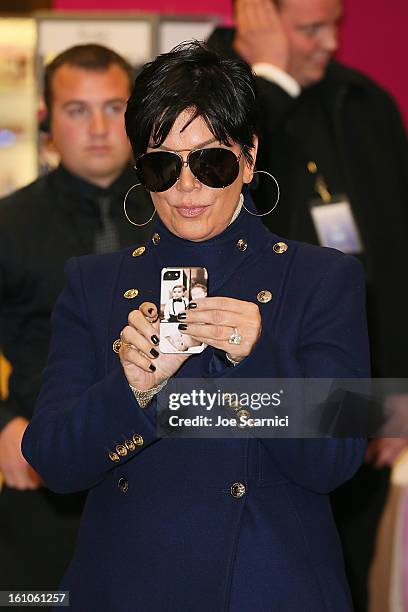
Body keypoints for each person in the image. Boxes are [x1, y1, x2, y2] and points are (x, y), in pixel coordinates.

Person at [23, 42, 369, 611]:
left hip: (265, 589)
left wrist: (257, 358)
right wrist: (131, 390)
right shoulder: (93, 283)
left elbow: (336, 461)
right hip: (124, 588)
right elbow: (53, 460)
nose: (186, 187)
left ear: (250, 158)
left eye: (211, 162)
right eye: (162, 164)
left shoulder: (324, 279)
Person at [208, 1, 408, 608]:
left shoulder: (364, 103)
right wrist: (268, 83)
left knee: (339, 567)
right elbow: (229, 215)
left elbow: (397, 262)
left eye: (335, 24)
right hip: (251, 380)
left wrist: (397, 392)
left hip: (358, 380)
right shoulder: (202, 91)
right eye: (310, 28)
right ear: (254, 16)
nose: (330, 42)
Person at [0, 44, 153, 592]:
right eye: (76, 110)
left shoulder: (182, 215)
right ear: (46, 119)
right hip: (40, 481)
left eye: (114, 108)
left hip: (156, 473)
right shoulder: (10, 225)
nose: (97, 128)